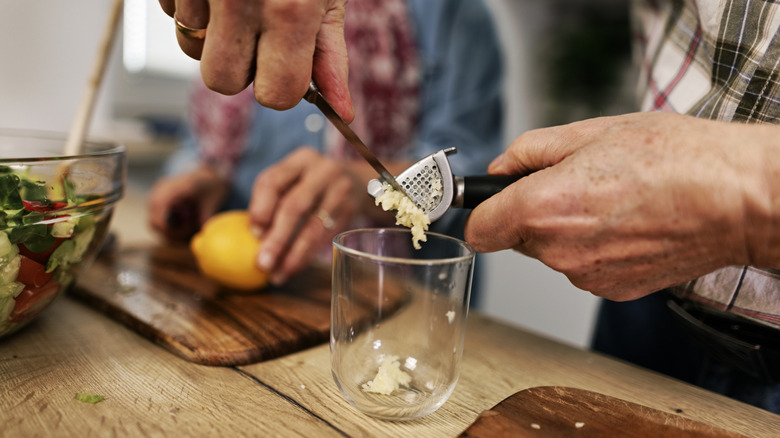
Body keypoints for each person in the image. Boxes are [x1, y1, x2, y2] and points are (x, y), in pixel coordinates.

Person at [158, 0, 780, 413]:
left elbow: (468, 168)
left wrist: (741, 195)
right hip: (654, 311)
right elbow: (208, 134)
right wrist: (200, 177)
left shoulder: (453, 16)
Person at [149, 0, 504, 299]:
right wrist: (203, 176)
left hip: (404, 312)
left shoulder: (448, 10)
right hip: (244, 301)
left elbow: (468, 180)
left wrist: (363, 187)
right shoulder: (238, 8)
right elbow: (197, 142)